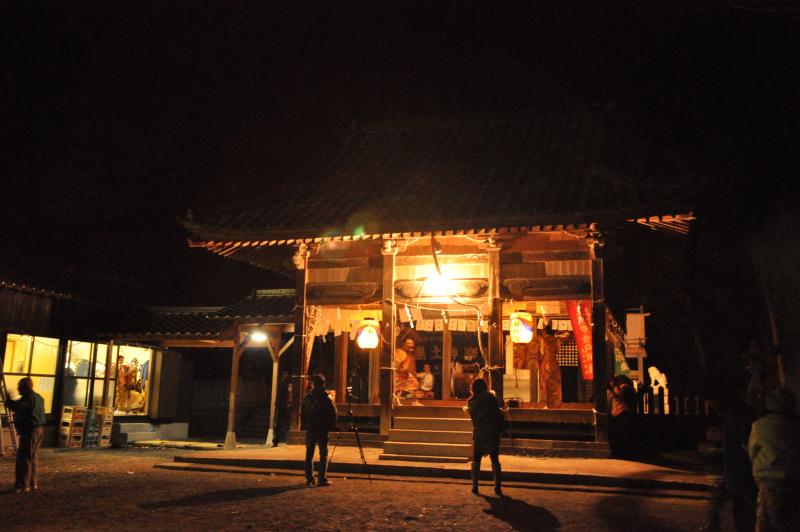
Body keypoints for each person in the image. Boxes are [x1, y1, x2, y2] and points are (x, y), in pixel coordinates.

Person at [747, 388, 800, 531]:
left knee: (767, 517)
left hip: (768, 478)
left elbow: (753, 451)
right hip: (794, 477)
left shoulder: (759, 425)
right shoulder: (796, 425)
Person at [6, 377, 46, 493]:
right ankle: (33, 483)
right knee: (33, 456)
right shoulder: (38, 397)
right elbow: (32, 413)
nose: (18, 389)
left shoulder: (28, 399)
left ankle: (23, 485)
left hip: (30, 431)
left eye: (19, 387)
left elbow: (18, 407)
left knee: (24, 457)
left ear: (25, 387)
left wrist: (8, 400)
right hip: (39, 429)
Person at [467, 378, 505, 497]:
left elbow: (473, 416)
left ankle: (475, 486)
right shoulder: (491, 399)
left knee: (476, 460)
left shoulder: (471, 401)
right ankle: (497, 486)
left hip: (479, 433)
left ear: (473, 388)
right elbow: (497, 414)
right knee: (495, 459)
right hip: (492, 433)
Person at [301, 374, 337, 487]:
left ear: (313, 383)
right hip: (322, 428)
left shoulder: (308, 396)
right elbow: (333, 412)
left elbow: (303, 412)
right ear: (323, 384)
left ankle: (309, 478)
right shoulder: (326, 396)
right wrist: (330, 425)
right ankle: (322, 478)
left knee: (309, 454)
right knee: (323, 454)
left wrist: (305, 424)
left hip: (311, 427)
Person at [607, 374, 636, 458]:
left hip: (622, 415)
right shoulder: (612, 393)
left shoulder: (621, 390)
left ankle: (622, 453)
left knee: (622, 435)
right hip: (620, 416)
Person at [272, 370, 291, 447]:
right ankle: (277, 439)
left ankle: (277, 439)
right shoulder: (285, 383)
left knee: (279, 422)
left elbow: (286, 394)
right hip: (282, 404)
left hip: (282, 405)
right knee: (281, 422)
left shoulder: (284, 383)